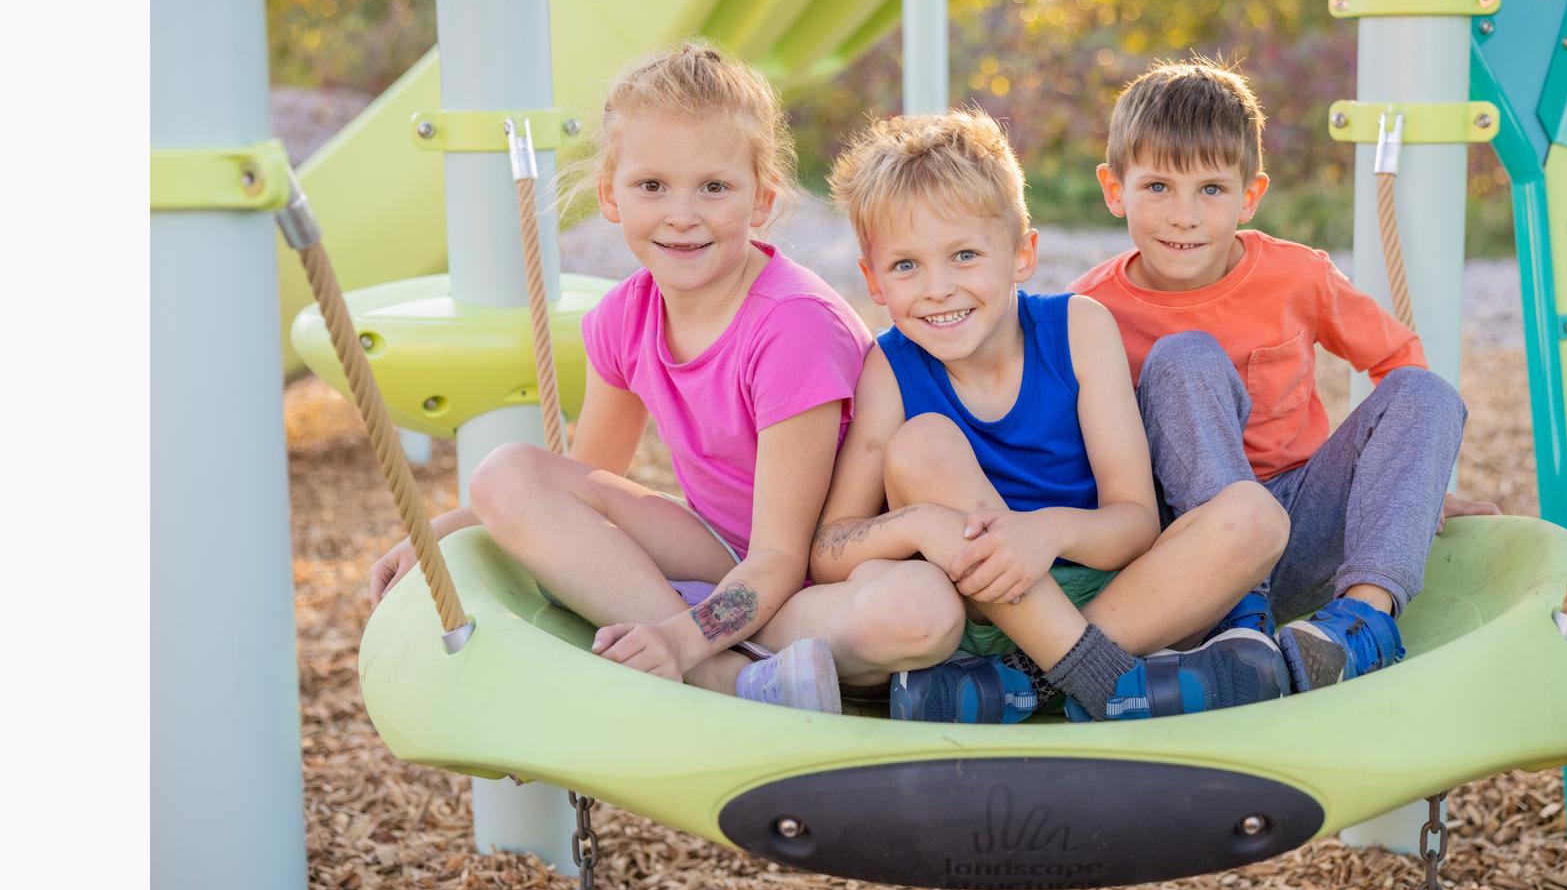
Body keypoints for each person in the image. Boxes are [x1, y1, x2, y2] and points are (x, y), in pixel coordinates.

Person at [366, 41, 959, 713]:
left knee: (917, 613)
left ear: (762, 199)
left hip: (818, 575)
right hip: (718, 552)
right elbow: (586, 479)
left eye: (714, 187)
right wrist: (435, 536)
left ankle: (698, 647)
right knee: (505, 473)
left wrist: (680, 637)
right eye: (652, 186)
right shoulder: (624, 317)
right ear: (610, 195)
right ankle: (727, 678)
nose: (682, 215)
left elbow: (781, 557)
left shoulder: (794, 326)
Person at [812, 108, 1294, 725]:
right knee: (923, 443)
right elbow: (829, 549)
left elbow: (1135, 523)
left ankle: (1023, 684)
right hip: (976, 608)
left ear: (1022, 254)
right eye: (906, 265)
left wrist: (1046, 534)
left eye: (964, 255)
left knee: (1254, 516)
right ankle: (1109, 684)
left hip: (1115, 601)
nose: (937, 288)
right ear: (874, 280)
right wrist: (921, 524)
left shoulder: (1079, 328)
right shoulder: (891, 366)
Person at [1070, 58, 1499, 694]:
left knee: (1426, 393)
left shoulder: (1296, 276)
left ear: (1250, 196)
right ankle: (1235, 619)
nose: (1184, 215)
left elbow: (1396, 356)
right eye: (1157, 186)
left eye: (1211, 190)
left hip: (1302, 519)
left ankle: (1359, 626)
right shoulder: (1087, 309)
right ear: (1114, 189)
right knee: (1184, 356)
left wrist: (1413, 486)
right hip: (1185, 551)